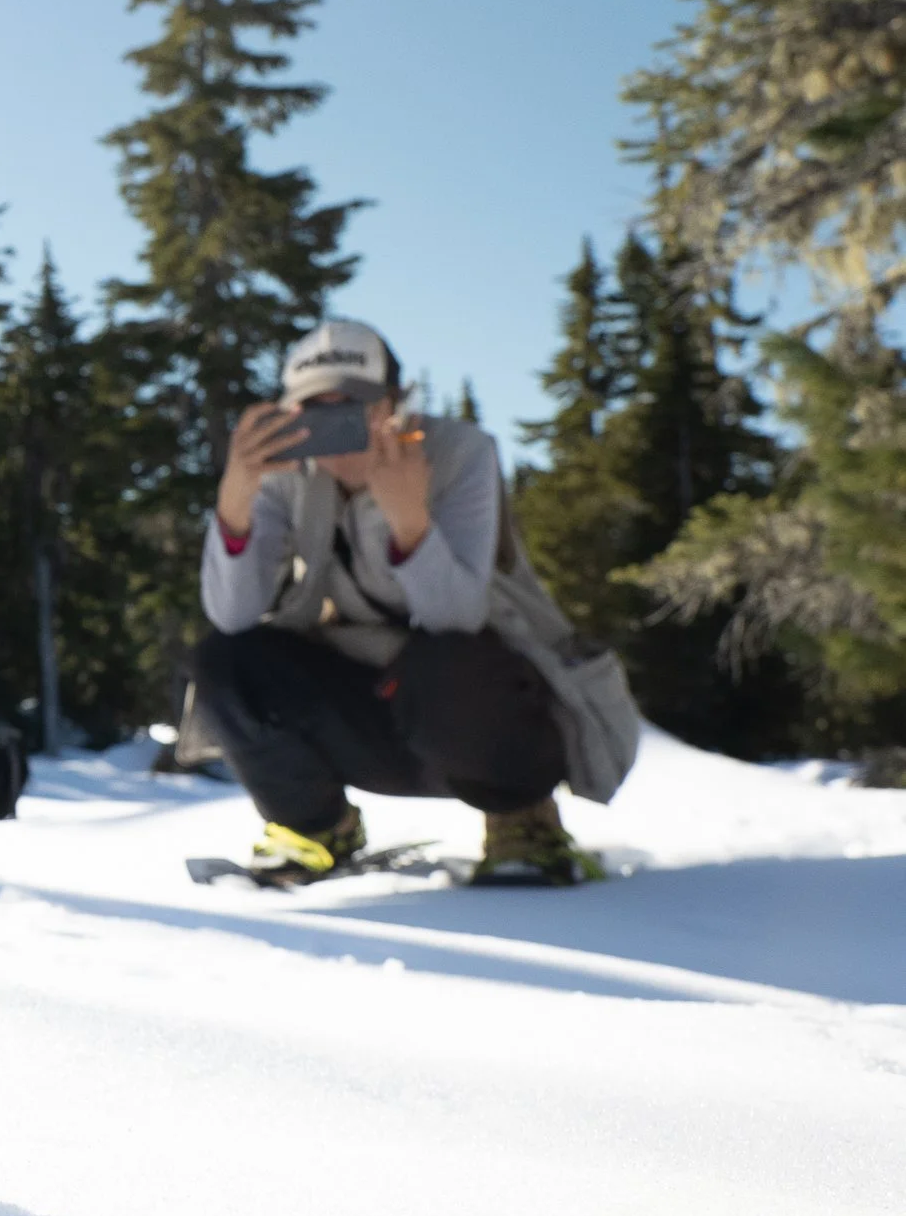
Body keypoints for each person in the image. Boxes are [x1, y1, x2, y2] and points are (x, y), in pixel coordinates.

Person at [190, 320, 637, 882]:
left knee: (445, 661)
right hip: (374, 713)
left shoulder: (457, 453)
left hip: (488, 713)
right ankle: (315, 826)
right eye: (315, 410)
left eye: (352, 405)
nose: (335, 426)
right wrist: (235, 504)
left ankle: (522, 817)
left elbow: (457, 617)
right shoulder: (285, 475)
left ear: (394, 405)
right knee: (227, 661)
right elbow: (232, 614)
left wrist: (407, 518)